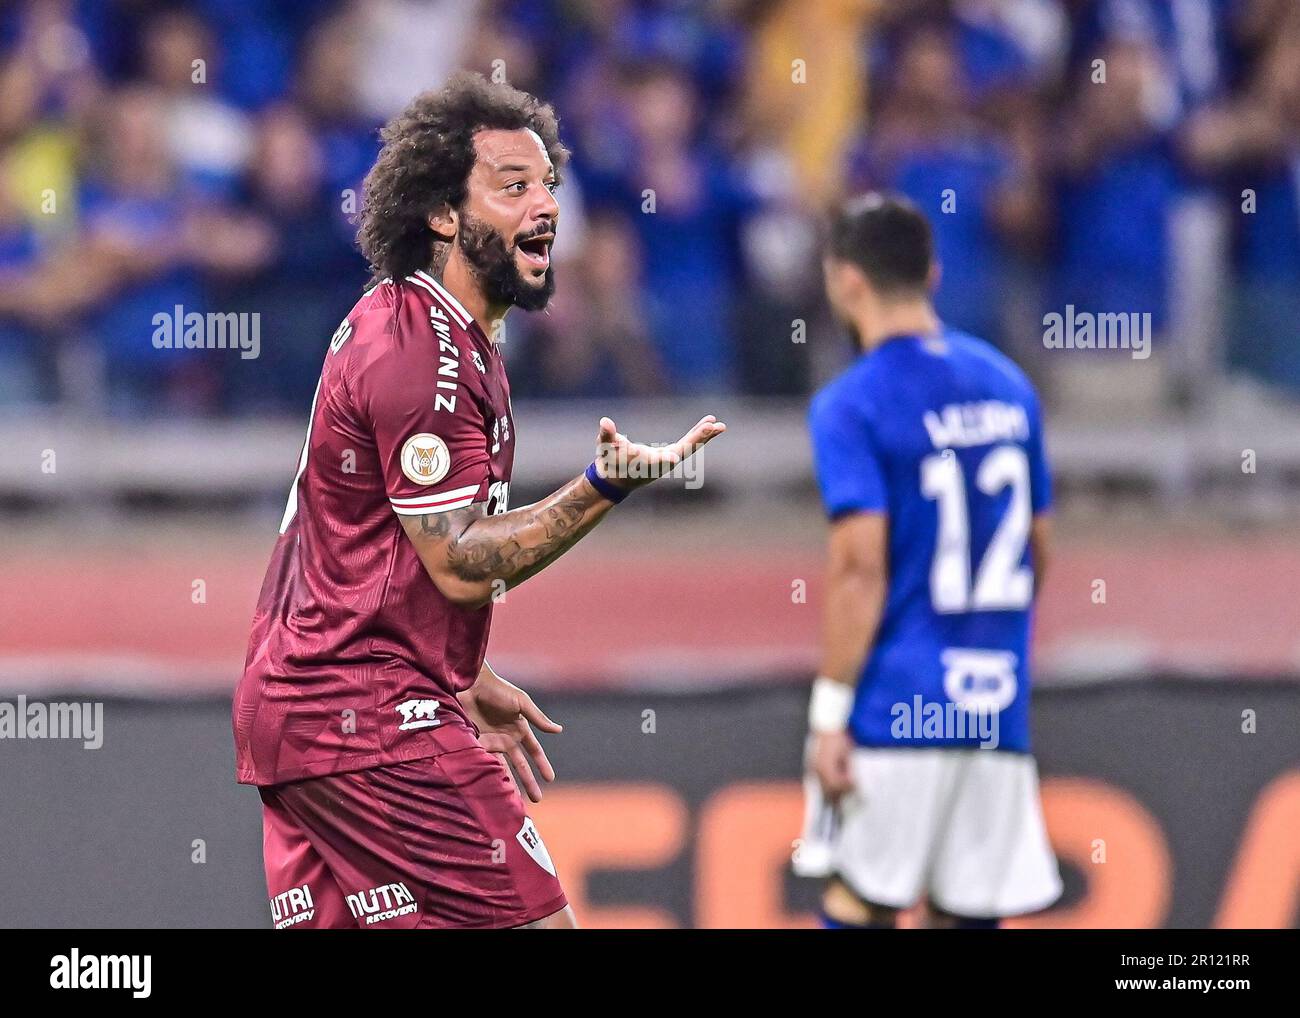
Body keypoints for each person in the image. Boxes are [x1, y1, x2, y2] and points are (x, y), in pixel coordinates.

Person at [232, 72, 725, 930]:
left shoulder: (442, 332)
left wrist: (460, 673)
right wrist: (603, 486)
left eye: (549, 186)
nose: (546, 207)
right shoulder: (423, 354)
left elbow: (365, 553)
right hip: (369, 724)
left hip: (314, 714)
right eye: (513, 187)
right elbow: (458, 564)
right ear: (443, 215)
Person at [798, 193, 1060, 928]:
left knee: (860, 899)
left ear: (846, 280)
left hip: (899, 701)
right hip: (995, 704)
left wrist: (828, 717)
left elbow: (859, 568)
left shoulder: (852, 404)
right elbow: (1038, 552)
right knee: (965, 909)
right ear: (933, 274)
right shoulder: (1010, 386)